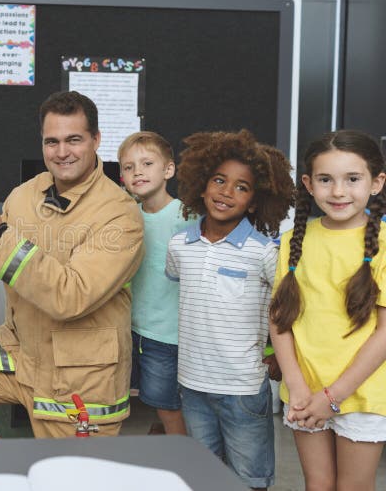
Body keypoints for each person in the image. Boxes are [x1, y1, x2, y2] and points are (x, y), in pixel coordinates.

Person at [0, 90, 145, 439]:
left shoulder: (120, 213)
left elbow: (70, 297)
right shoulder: (24, 195)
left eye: (74, 140)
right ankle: (5, 474)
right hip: (18, 358)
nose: (61, 152)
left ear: (96, 140)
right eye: (51, 141)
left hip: (79, 380)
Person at [165, 129, 293, 489]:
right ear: (202, 187)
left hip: (242, 387)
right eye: (219, 181)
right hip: (191, 384)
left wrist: (279, 358)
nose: (226, 192)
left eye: (241, 186)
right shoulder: (179, 246)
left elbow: (285, 309)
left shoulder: (265, 251)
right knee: (204, 475)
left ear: (254, 201)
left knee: (249, 478)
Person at [270, 130, 386, 490]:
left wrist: (332, 398)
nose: (338, 192)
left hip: (362, 395)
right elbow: (280, 319)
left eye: (352, 179)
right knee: (317, 485)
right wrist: (297, 385)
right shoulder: (294, 240)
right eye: (325, 180)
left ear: (377, 182)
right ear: (308, 184)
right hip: (304, 391)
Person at [118, 131, 189, 435]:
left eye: (147, 163)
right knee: (125, 395)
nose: (138, 172)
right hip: (130, 326)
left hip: (167, 332)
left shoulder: (186, 216)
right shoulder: (126, 215)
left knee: (166, 402)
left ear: (168, 170)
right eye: (129, 167)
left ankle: (181, 455)